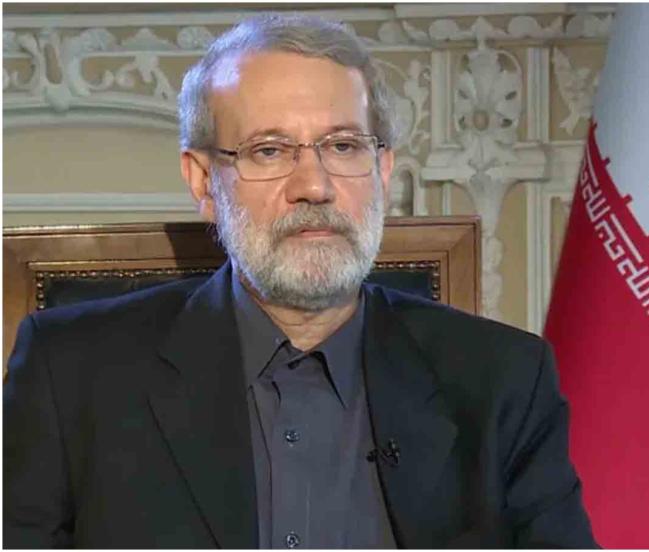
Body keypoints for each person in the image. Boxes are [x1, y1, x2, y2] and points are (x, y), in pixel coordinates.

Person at [3, 13, 596, 549]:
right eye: (269, 151)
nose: (314, 185)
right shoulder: (70, 374)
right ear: (204, 181)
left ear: (382, 170)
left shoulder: (502, 383)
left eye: (344, 145)